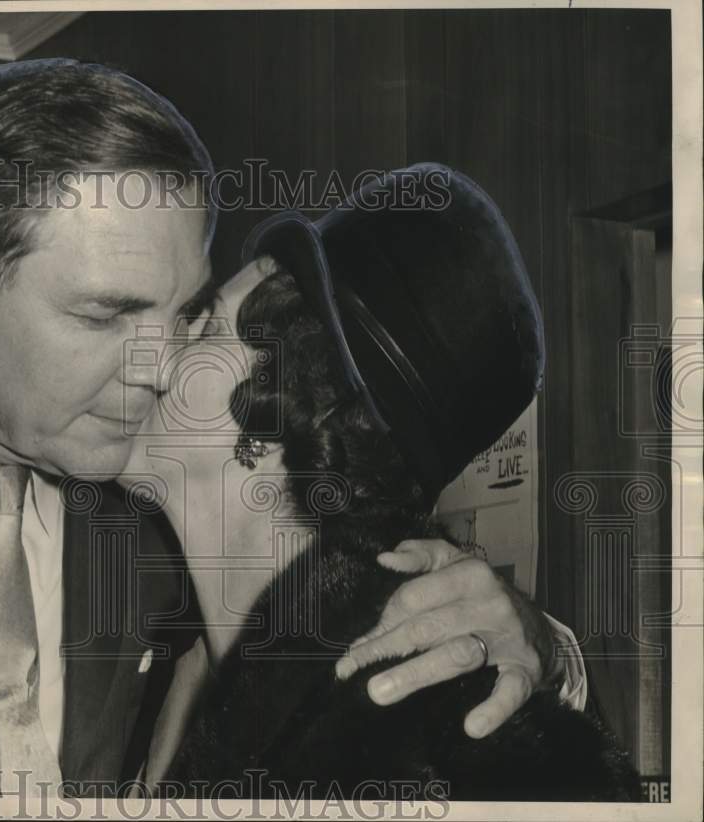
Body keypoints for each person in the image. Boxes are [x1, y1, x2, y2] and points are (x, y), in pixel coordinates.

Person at [0, 59, 582, 798]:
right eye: (105, 314)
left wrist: (540, 644)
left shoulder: (142, 500)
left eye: (190, 313)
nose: (157, 363)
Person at [123, 165, 638, 799]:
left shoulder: (442, 736)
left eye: (200, 321)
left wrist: (552, 657)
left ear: (293, 403)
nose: (149, 343)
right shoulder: (146, 651)